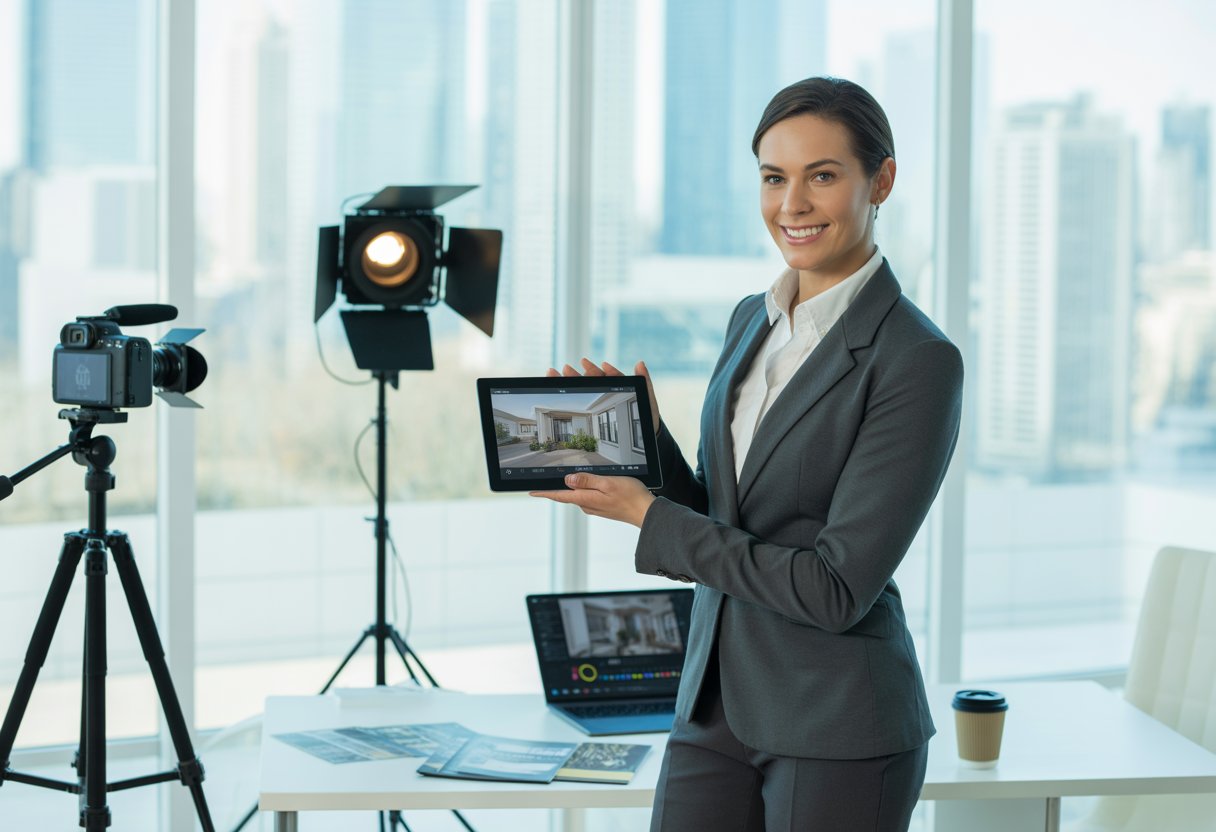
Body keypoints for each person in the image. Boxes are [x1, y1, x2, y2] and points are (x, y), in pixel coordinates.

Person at [532, 76, 963, 832]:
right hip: (713, 705)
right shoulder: (750, 321)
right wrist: (649, 450)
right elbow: (727, 513)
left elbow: (836, 587)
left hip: (834, 721)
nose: (791, 204)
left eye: (822, 176)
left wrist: (650, 519)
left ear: (881, 180)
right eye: (774, 178)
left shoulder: (916, 358)